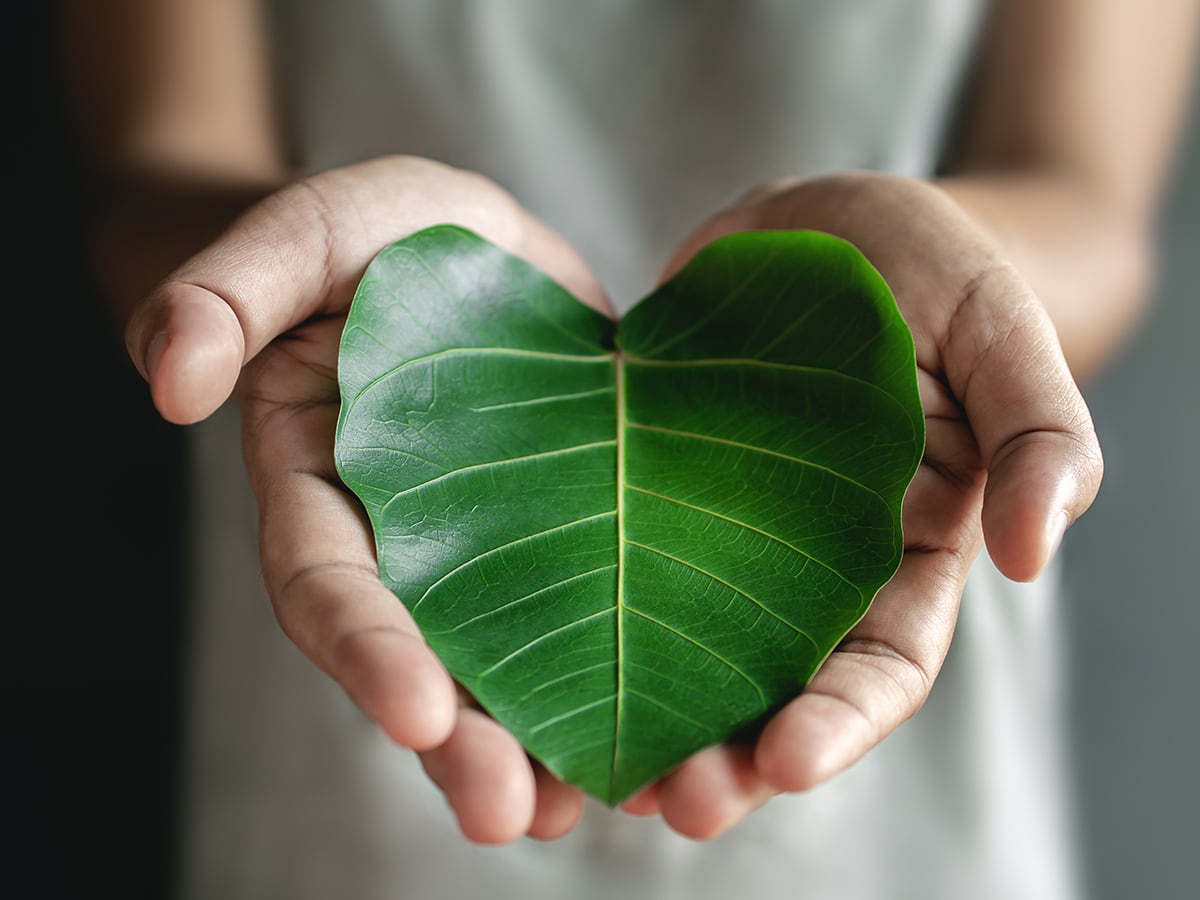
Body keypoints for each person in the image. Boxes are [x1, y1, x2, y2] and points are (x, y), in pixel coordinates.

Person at [62, 1, 1198, 897]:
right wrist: (278, 264)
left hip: (898, 601)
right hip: (355, 606)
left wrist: (973, 282)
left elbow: (1089, 204)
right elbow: (156, 177)